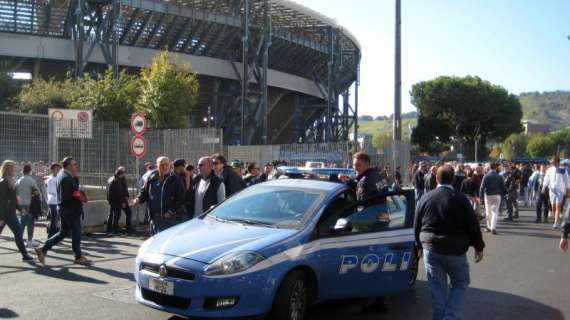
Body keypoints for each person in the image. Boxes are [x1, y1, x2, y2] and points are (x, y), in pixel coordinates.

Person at [414, 165, 485, 320]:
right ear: (453, 179)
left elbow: (417, 224)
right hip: (455, 250)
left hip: (431, 249)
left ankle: (441, 317)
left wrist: (418, 246)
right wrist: (478, 247)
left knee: (437, 288)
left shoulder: (425, 198)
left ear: (436, 178)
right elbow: (473, 225)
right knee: (460, 283)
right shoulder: (461, 199)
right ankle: (450, 316)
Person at [35, 157, 91, 265]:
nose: (76, 166)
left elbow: (72, 190)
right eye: (74, 164)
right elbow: (69, 194)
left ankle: (42, 249)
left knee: (63, 232)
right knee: (76, 232)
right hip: (70, 210)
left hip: (65, 209)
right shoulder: (66, 177)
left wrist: (76, 179)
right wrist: (78, 195)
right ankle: (78, 256)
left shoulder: (64, 175)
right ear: (69, 166)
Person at [134, 157, 186, 234]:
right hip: (153, 218)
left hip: (169, 219)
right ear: (157, 166)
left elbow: (180, 199)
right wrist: (138, 199)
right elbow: (144, 192)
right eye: (161, 165)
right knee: (154, 240)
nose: (164, 167)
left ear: (170, 166)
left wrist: (171, 212)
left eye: (166, 165)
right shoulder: (151, 177)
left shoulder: (175, 179)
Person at [0, 160, 35, 261]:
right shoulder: (3, 182)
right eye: (12, 167)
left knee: (18, 233)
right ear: (7, 169)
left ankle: (25, 255)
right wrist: (1, 217)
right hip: (6, 214)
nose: (14, 169)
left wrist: (21, 209)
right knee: (18, 233)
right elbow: (2, 202)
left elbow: (14, 199)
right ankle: (25, 255)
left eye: (14, 167)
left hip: (10, 213)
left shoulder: (11, 181)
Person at [542, 157, 570, 229]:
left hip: (560, 190)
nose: (551, 163)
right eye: (551, 162)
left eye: (553, 162)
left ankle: (556, 222)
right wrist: (544, 187)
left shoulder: (562, 169)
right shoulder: (549, 170)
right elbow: (546, 178)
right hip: (552, 190)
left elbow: (567, 180)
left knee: (558, 206)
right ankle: (556, 219)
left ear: (557, 162)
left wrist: (567, 189)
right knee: (553, 207)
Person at [16, 163, 39, 247]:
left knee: (22, 222)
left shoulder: (19, 180)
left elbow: (16, 193)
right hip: (30, 205)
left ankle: (19, 239)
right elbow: (36, 192)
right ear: (30, 171)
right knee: (30, 222)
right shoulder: (31, 180)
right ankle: (29, 240)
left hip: (21, 204)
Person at [479, 162, 506, 235]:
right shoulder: (500, 176)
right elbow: (503, 187)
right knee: (495, 212)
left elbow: (482, 187)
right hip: (497, 195)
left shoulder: (486, 176)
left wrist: (480, 197)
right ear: (495, 168)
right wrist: (503, 194)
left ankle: (488, 226)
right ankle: (493, 227)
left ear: (490, 168)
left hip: (488, 195)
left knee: (488, 211)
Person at [106, 167, 133, 235]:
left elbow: (124, 189)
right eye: (124, 172)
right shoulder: (116, 181)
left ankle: (111, 229)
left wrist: (127, 196)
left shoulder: (118, 179)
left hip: (114, 200)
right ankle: (115, 230)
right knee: (118, 215)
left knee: (114, 214)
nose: (125, 174)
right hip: (117, 200)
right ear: (121, 173)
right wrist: (123, 202)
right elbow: (119, 193)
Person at [45, 163, 61, 238]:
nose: (58, 170)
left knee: (56, 219)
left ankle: (53, 235)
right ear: (52, 170)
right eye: (56, 169)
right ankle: (51, 236)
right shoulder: (51, 179)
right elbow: (51, 191)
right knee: (54, 220)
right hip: (53, 202)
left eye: (59, 169)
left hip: (56, 201)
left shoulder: (57, 178)